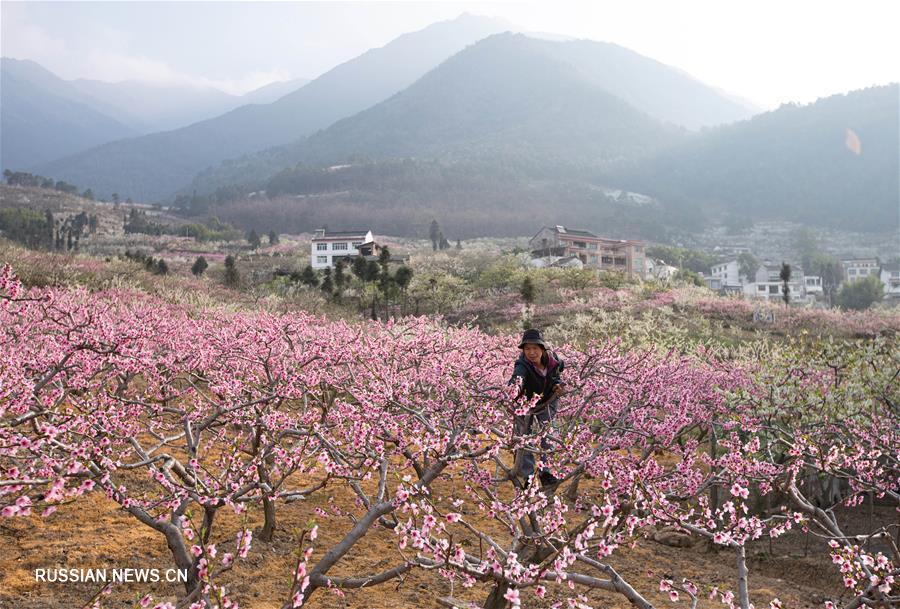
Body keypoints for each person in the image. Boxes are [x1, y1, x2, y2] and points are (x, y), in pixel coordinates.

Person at [508, 328, 565, 489]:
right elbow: (517, 378)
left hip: (547, 400)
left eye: (535, 348)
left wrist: (557, 385)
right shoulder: (522, 365)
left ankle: (546, 473)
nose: (531, 352)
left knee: (549, 434)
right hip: (523, 404)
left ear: (542, 349)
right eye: (527, 349)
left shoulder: (553, 361)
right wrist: (512, 390)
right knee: (524, 438)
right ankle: (528, 476)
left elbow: (558, 371)